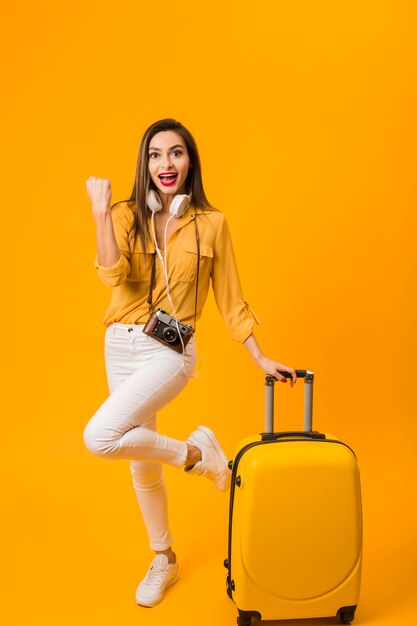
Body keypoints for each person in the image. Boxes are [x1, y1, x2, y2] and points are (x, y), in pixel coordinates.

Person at [83, 118, 296, 608]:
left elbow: (230, 298)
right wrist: (99, 214)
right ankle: (165, 557)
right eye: (156, 155)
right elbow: (112, 274)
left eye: (176, 153)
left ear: (190, 162)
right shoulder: (121, 214)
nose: (165, 164)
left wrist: (259, 355)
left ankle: (196, 458)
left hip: (171, 350)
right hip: (118, 343)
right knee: (140, 468)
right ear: (145, 164)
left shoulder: (211, 223)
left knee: (100, 437)